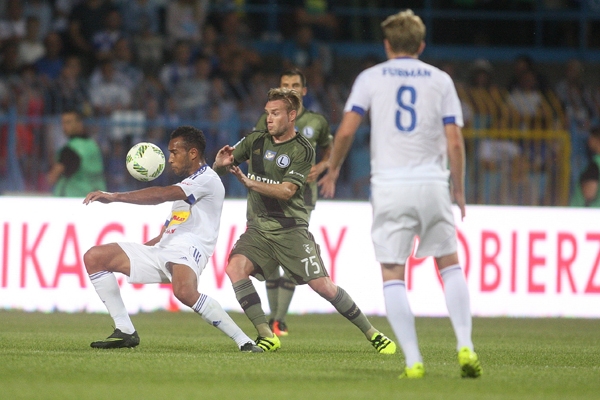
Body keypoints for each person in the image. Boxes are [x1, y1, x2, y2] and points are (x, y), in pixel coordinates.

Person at [318, 9, 482, 379]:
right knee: (449, 263)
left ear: (387, 44)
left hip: (390, 186)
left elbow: (345, 131)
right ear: (422, 45)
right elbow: (454, 141)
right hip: (431, 183)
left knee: (393, 273)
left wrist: (334, 167)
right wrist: (458, 188)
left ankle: (412, 360)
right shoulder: (440, 80)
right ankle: (465, 345)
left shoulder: (370, 78)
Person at [213, 88, 396, 354]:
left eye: (275, 114)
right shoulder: (255, 141)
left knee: (323, 286)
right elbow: (224, 163)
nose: (269, 119)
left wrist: (250, 182)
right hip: (259, 228)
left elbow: (287, 191)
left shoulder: (303, 150)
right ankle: (266, 334)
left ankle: (373, 333)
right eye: (267, 114)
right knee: (234, 268)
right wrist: (220, 163)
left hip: (290, 230)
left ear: (291, 115)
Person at [82, 126, 262, 352]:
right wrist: (139, 251)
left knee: (184, 292)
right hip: (164, 249)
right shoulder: (189, 184)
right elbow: (167, 231)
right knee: (95, 257)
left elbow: (161, 194)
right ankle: (125, 330)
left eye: (175, 152)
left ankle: (244, 341)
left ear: (193, 153)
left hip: (190, 248)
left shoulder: (206, 179)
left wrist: (115, 196)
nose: (170, 159)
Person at [253, 68, 332, 336]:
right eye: (285, 84)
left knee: (292, 255)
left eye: (295, 85)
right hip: (269, 196)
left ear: (304, 90)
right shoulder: (269, 118)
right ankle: (275, 318)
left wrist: (322, 167)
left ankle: (278, 318)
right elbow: (255, 148)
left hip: (302, 197)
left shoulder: (317, 122)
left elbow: (330, 151)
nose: (290, 89)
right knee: (271, 256)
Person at [47, 110, 107, 197]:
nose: (64, 127)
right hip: (96, 197)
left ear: (79, 123)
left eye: (68, 122)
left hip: (72, 199)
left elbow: (52, 178)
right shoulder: (93, 144)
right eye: (63, 123)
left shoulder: (70, 149)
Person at [571, 125, 600, 207]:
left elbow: (589, 193)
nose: (589, 141)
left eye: (591, 138)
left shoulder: (595, 165)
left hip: (588, 215)